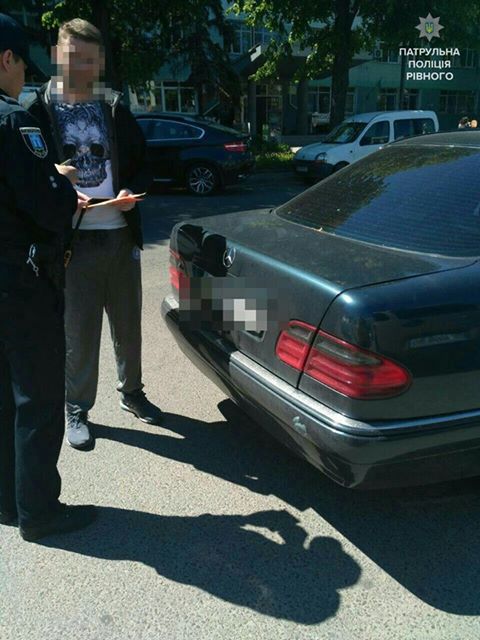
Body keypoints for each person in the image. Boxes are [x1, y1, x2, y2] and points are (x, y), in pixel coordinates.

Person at [27, 19, 161, 450]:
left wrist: (129, 191)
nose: (81, 68)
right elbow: (24, 176)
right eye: (73, 58)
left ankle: (132, 393)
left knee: (128, 327)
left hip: (120, 236)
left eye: (89, 60)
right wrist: (59, 189)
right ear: (57, 55)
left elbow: (143, 163)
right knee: (79, 334)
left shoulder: (113, 105)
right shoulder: (37, 110)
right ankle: (77, 407)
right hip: (73, 244)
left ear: (99, 61)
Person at [0, 13, 96, 541]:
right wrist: (59, 180)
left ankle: (9, 500)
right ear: (6, 59)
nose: (23, 77)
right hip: (23, 282)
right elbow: (50, 208)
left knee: (4, 394)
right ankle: (39, 511)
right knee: (36, 396)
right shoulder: (16, 123)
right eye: (21, 65)